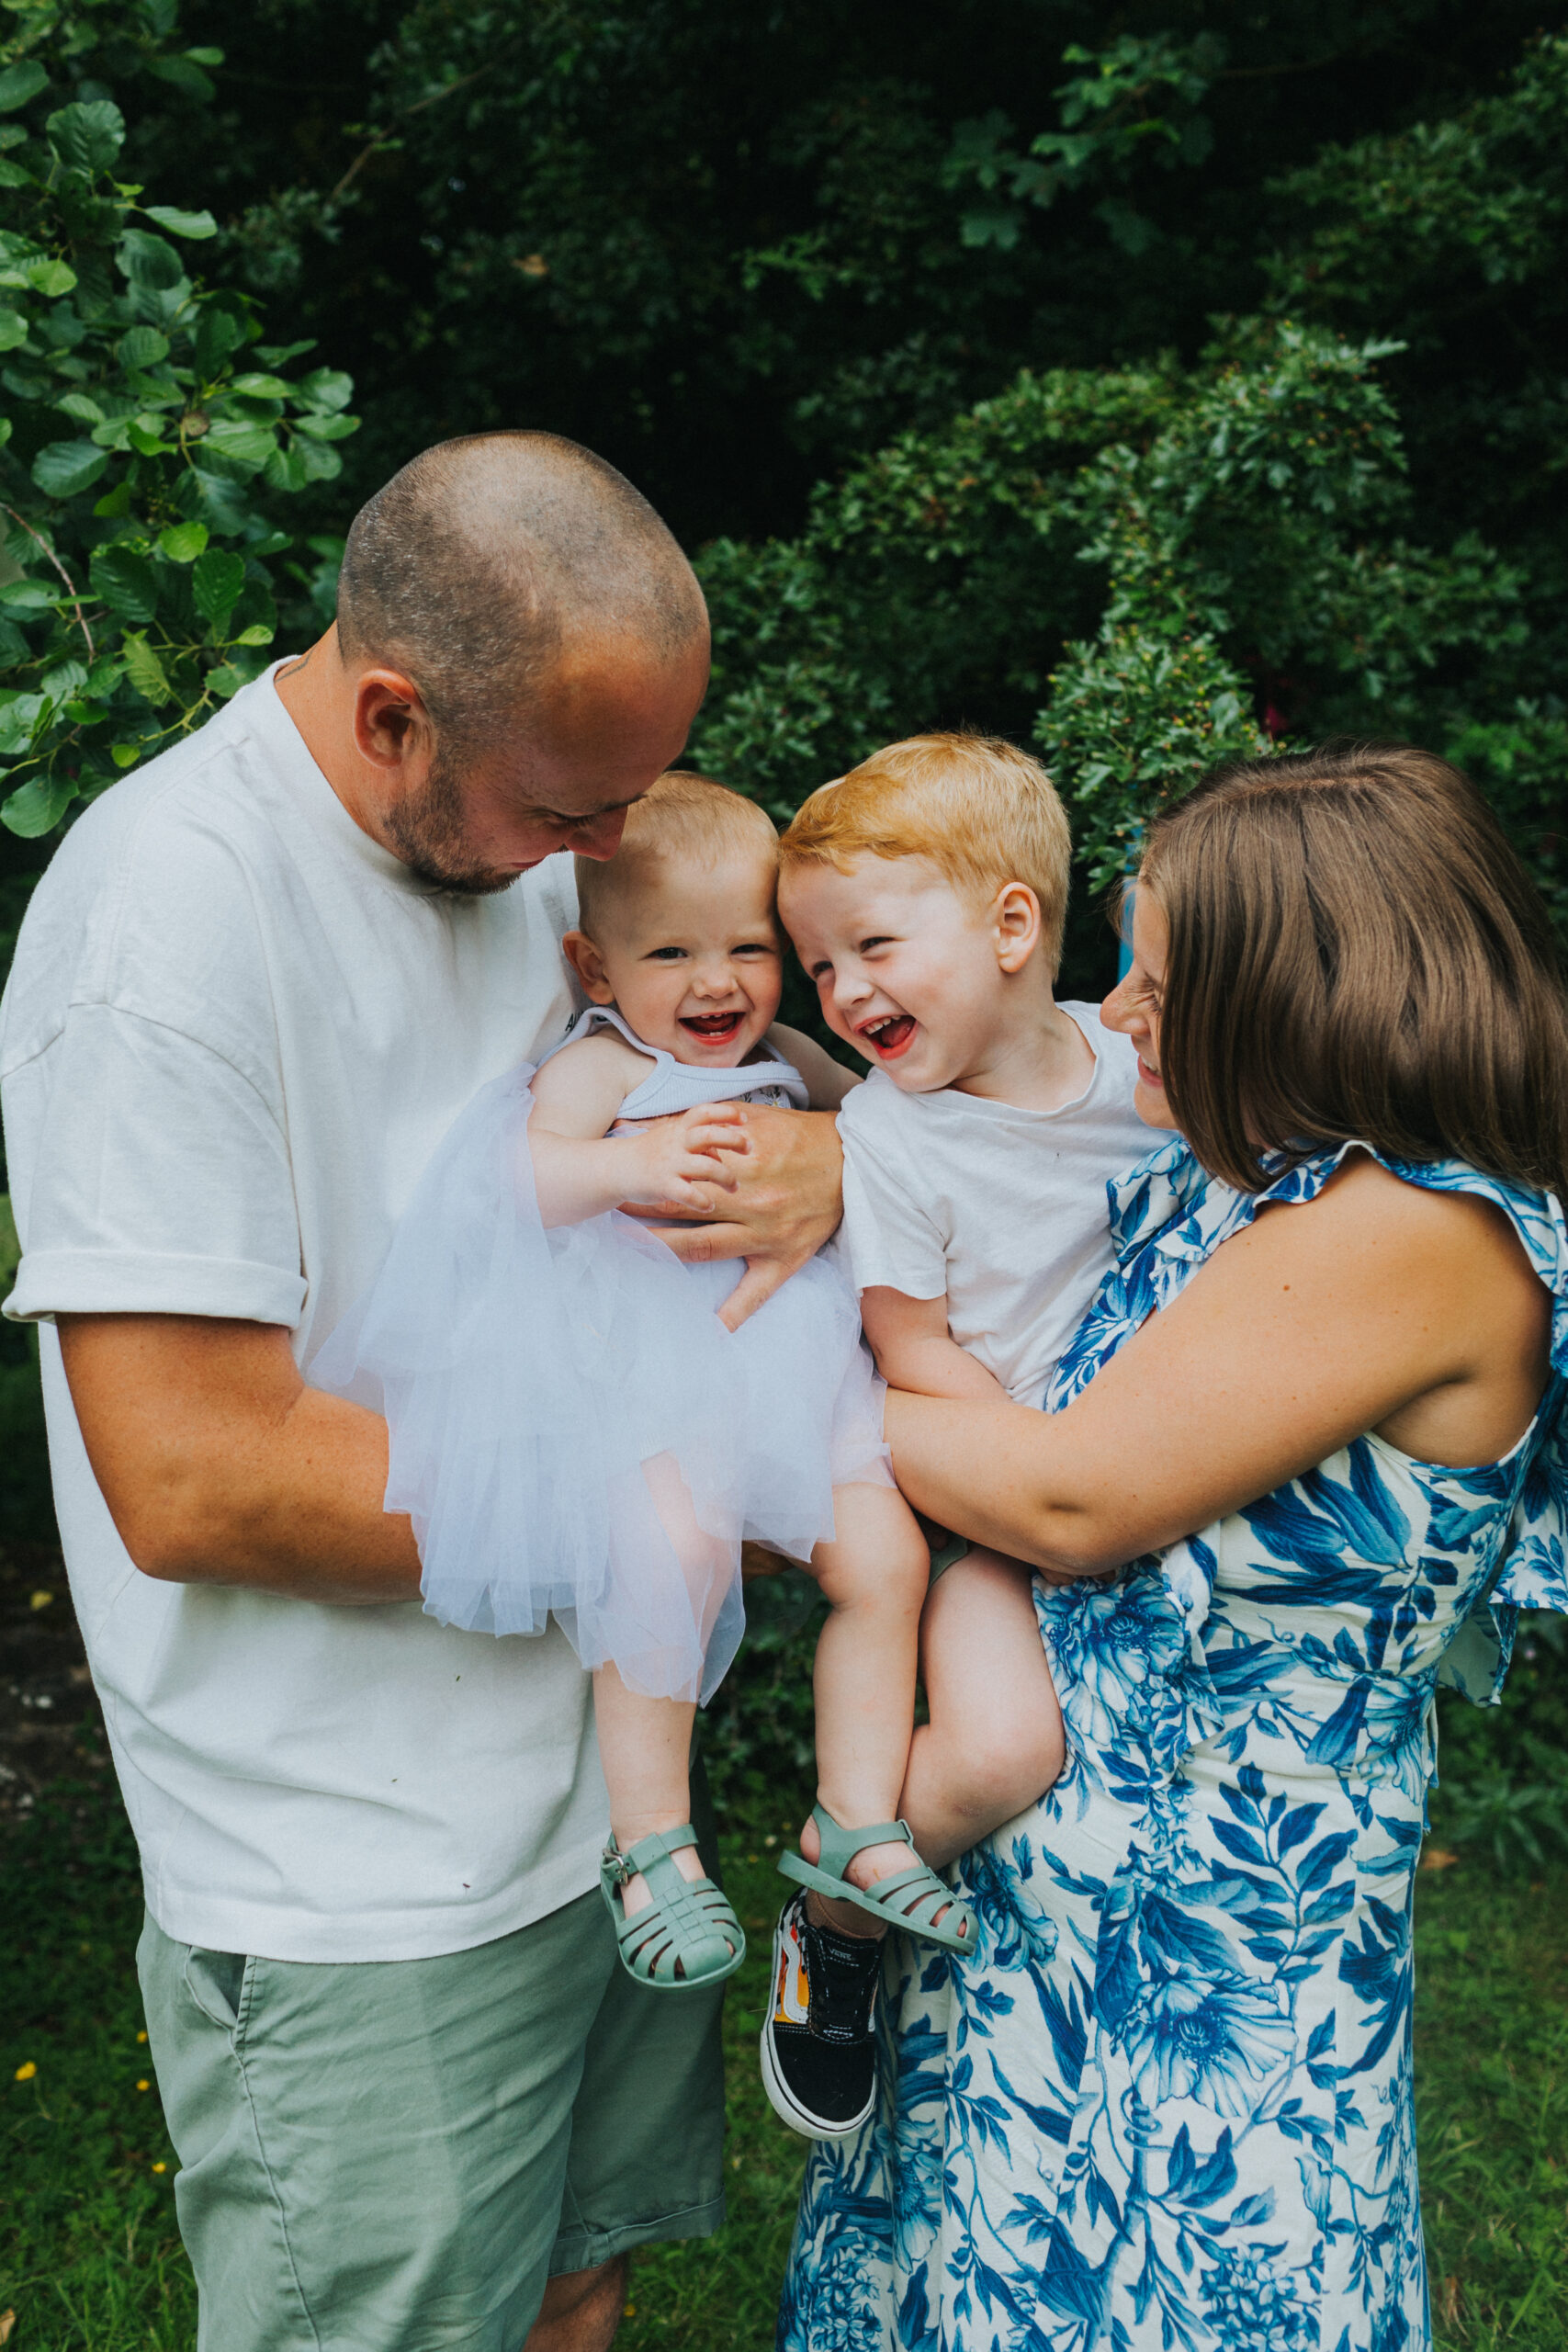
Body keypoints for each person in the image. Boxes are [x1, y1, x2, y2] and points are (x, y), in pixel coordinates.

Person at [0, 430, 843, 2352]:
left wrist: (841, 1159)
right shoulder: (169, 926)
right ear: (393, 712)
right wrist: (678, 1491)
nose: (606, 849)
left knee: (576, 2295)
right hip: (358, 1881)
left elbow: (697, 1049)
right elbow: (201, 1475)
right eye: (572, 806)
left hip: (597, 1817)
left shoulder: (518, 842)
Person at [779, 740, 1568, 2352]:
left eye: (1155, 986)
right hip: (1034, 1912)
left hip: (1218, 1964)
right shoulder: (1249, 1180)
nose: (1118, 1014)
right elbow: (984, 1191)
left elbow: (1070, 1496)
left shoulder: (1414, 1229)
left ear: (1300, 990)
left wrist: (791, 1412)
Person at [313, 767, 973, 2030]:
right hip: (653, 1370)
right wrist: (626, 1162)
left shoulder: (787, 1056)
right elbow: (512, 1178)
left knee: (886, 1563)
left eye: (746, 947)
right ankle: (652, 1847)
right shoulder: (602, 1064)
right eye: (672, 951)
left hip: (803, 1359)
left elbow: (895, 1131)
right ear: (597, 968)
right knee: (672, 1559)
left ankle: (856, 1817)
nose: (717, 982)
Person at [765, 731, 1155, 2140]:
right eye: (818, 967)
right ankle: (831, 1923)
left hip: (1158, 1459)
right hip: (991, 1489)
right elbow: (912, 1351)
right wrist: (1059, 1470)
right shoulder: (892, 1138)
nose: (845, 989)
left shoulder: (1134, 1063)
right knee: (994, 1752)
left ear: (1011, 925)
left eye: (872, 944)